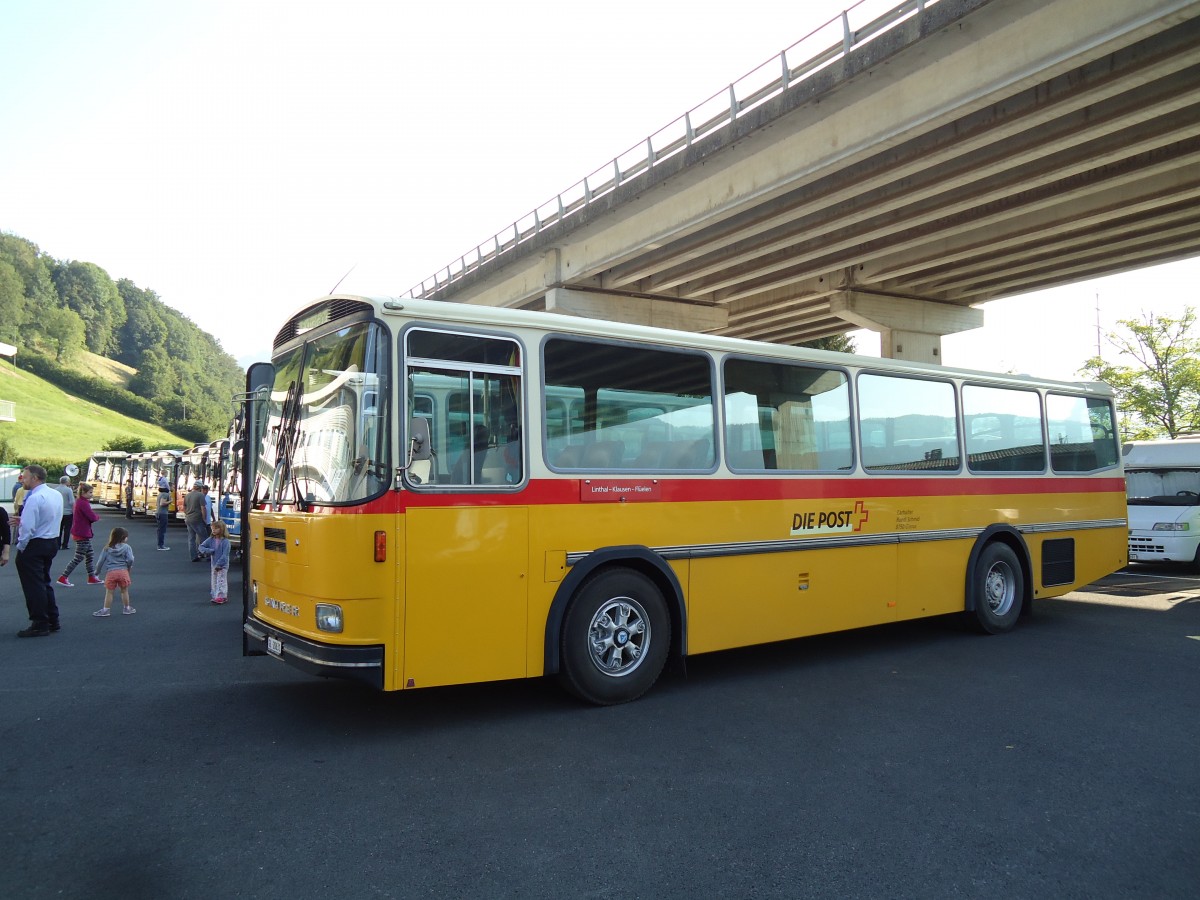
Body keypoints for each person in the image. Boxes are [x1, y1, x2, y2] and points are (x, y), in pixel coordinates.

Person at [13, 464, 64, 637]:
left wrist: (21, 546)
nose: (23, 480)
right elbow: (49, 517)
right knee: (44, 582)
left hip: (35, 544)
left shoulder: (34, 498)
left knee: (33, 585)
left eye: (25, 477)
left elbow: (28, 528)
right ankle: (52, 619)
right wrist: (23, 519)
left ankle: (39, 623)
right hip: (51, 541)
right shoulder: (55, 493)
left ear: (34, 478)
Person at [56, 483, 102, 586]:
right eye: (90, 492)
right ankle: (63, 577)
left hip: (81, 531)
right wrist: (97, 517)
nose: (92, 494)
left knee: (89, 554)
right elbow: (92, 517)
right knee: (79, 557)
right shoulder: (83, 503)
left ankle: (91, 577)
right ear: (84, 492)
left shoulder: (80, 502)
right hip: (83, 532)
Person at [92, 526, 135, 617]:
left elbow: (100, 562)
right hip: (123, 571)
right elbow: (131, 559)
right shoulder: (127, 547)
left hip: (111, 572)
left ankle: (106, 610)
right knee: (124, 591)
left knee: (109, 592)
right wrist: (128, 566)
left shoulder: (107, 548)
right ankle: (127, 608)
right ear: (124, 538)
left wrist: (97, 572)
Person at [198, 519, 231, 605]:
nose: (214, 530)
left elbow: (225, 555)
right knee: (214, 580)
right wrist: (209, 551)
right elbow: (201, 547)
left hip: (222, 565)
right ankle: (215, 595)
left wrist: (219, 564)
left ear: (222, 529)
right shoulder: (211, 539)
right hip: (214, 564)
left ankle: (222, 596)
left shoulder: (225, 542)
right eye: (212, 528)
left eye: (216, 528)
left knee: (221, 580)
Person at [183, 482, 208, 561]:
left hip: (188, 518)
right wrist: (204, 519)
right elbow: (203, 508)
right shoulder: (200, 495)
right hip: (197, 518)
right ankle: (207, 554)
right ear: (200, 488)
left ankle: (193, 556)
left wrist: (187, 514)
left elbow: (184, 507)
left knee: (191, 538)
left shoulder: (187, 495)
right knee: (204, 537)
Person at [53, 476, 75, 549]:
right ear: (67, 481)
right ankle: (65, 545)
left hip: (59, 513)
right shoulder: (68, 490)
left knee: (59, 529)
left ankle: (57, 544)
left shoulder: (56, 490)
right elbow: (72, 501)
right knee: (67, 530)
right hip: (68, 512)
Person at [155, 483, 171, 550]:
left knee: (160, 530)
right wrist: (170, 501)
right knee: (162, 530)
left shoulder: (160, 494)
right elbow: (162, 503)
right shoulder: (165, 494)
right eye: (172, 486)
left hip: (158, 513)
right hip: (163, 513)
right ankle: (161, 545)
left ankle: (160, 544)